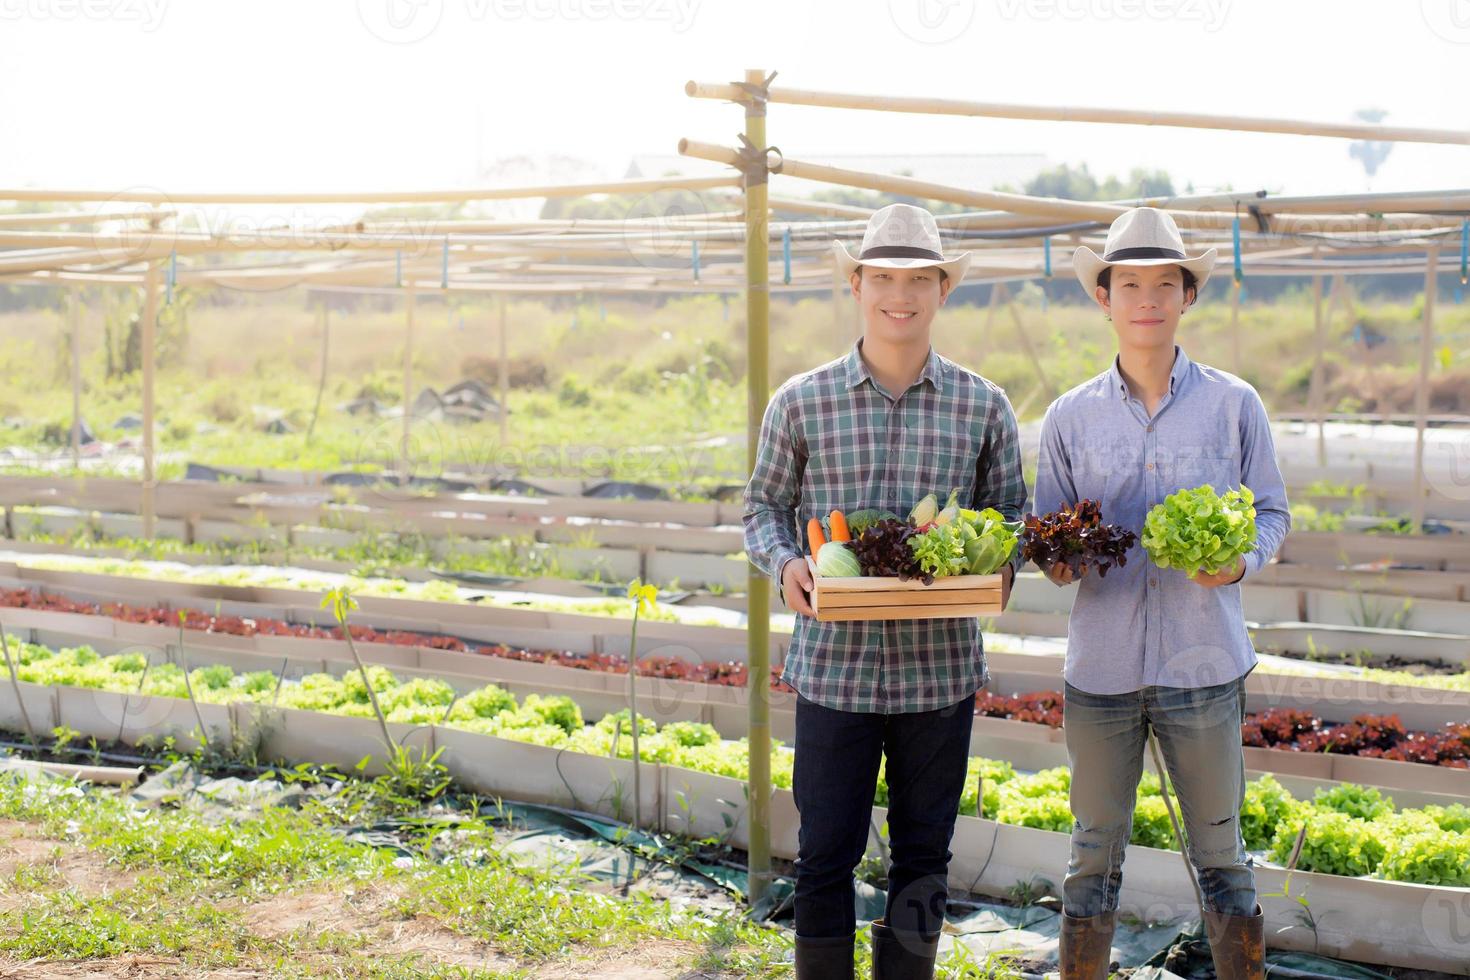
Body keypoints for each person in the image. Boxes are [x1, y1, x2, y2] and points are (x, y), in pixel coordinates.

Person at [744, 203, 1027, 979]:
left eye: (918, 279)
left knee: (924, 856)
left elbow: (1012, 515)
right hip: (834, 666)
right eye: (883, 278)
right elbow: (762, 508)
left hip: (939, 670)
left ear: (943, 290)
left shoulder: (983, 405)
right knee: (824, 854)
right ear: (857, 285)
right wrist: (787, 564)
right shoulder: (802, 401)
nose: (899, 294)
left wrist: (996, 565)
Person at [1033, 207, 1290, 980]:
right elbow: (1044, 532)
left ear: (1187, 297)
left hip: (1203, 668)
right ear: (1104, 299)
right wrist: (1057, 559)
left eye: (1165, 284)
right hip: (1101, 672)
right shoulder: (1068, 415)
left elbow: (1272, 512)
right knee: (1091, 858)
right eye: (1130, 283)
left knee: (1221, 855)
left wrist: (1238, 562)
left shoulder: (1233, 403)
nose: (1148, 298)